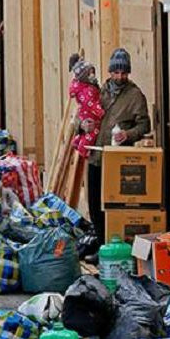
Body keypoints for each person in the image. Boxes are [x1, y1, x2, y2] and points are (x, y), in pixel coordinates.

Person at [81, 48, 151, 239]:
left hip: (117, 159)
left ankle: (109, 241)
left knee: (112, 206)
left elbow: (144, 125)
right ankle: (99, 241)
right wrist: (84, 125)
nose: (120, 76)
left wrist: (127, 135)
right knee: (94, 203)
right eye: (116, 72)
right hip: (96, 154)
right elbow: (84, 113)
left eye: (124, 73)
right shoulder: (100, 91)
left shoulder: (135, 96)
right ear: (110, 72)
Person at [68, 54, 104, 158]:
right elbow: (91, 104)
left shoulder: (91, 87)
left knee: (88, 133)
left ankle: (77, 142)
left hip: (87, 115)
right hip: (90, 116)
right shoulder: (87, 90)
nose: (93, 76)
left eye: (93, 72)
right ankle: (82, 149)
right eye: (90, 73)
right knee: (91, 133)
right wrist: (100, 112)